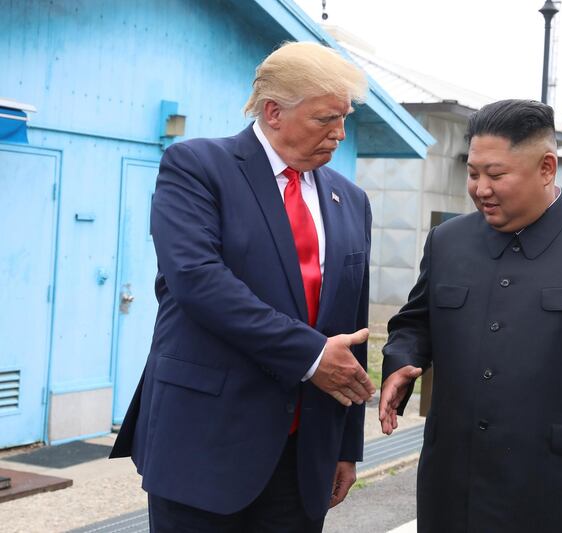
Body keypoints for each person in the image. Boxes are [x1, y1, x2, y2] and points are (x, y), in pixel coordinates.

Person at [110, 41, 375, 532]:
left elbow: (349, 331)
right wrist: (311, 356)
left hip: (302, 458)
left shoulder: (350, 199)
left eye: (344, 118)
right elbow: (198, 282)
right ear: (273, 112)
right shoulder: (198, 169)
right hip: (204, 446)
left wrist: (344, 447)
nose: (339, 133)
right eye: (324, 119)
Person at [380, 99, 562, 533]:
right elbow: (415, 322)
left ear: (546, 168)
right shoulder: (447, 242)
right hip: (456, 488)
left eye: (496, 175)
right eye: (473, 173)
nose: (480, 188)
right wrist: (401, 360)